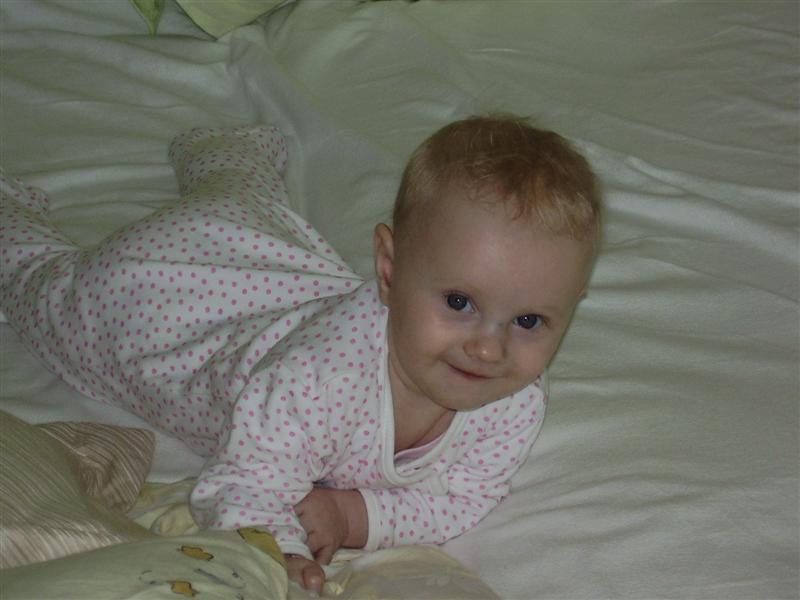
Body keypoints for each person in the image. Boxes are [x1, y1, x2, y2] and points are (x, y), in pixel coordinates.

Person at [0, 115, 600, 594]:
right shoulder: (316, 380)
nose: (490, 347)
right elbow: (242, 482)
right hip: (161, 302)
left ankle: (228, 151)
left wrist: (353, 516)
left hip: (270, 266)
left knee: (247, 213)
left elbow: (464, 497)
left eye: (529, 321)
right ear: (388, 270)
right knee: (45, 295)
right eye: (459, 302)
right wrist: (281, 552)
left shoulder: (514, 398)